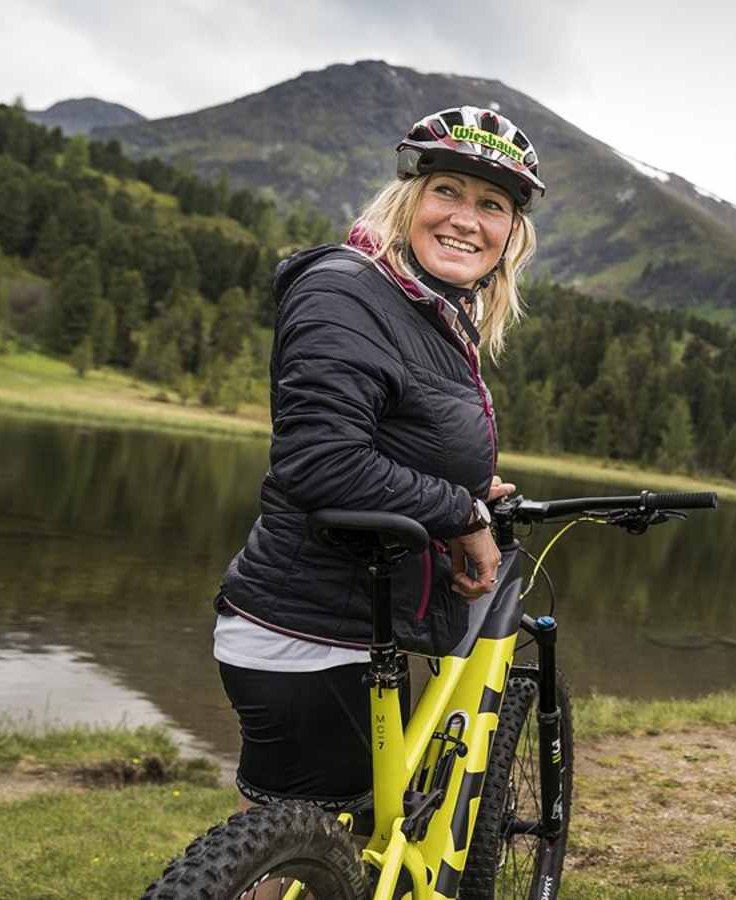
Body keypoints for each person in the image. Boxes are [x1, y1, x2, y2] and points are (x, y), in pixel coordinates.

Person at [211, 105, 545, 811]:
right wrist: (461, 510)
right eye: (447, 191)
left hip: (358, 628)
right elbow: (323, 461)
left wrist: (466, 482)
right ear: (408, 199)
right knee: (307, 850)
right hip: (311, 633)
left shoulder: (428, 312)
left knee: (326, 845)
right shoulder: (347, 290)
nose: (466, 218)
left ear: (511, 233)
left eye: (492, 204)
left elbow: (386, 431)